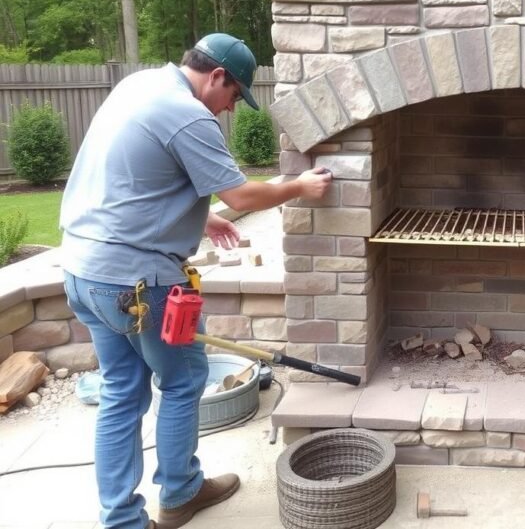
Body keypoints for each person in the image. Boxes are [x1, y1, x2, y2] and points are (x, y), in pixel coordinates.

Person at [59, 33, 331, 529]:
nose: (230, 109)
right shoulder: (188, 114)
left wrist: (201, 219)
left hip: (83, 271)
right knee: (183, 381)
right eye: (233, 97)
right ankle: (181, 493)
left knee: (122, 392)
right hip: (138, 285)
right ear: (217, 76)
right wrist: (299, 186)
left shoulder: (139, 85)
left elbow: (133, 174)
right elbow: (244, 196)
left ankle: (122, 520)